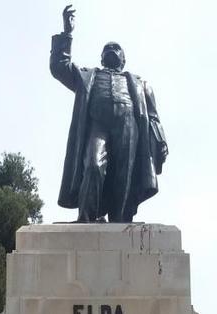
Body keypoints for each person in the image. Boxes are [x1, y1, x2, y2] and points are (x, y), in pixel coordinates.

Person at [50, 5, 168, 223]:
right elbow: (59, 67)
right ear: (102, 58)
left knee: (125, 174)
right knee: (93, 166)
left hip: (129, 125)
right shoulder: (87, 76)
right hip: (98, 124)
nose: (112, 49)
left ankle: (120, 220)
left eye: (117, 48)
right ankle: (85, 218)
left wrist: (160, 141)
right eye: (108, 48)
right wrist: (67, 33)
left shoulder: (140, 84)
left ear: (123, 59)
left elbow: (152, 116)